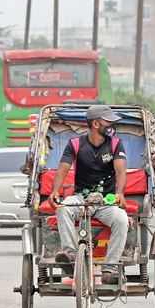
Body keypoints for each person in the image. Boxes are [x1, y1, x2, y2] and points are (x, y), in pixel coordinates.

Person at [47, 105, 128, 284]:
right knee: (63, 209)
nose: (113, 124)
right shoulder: (75, 144)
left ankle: (109, 269)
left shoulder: (116, 144)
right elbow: (62, 171)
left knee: (122, 219)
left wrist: (120, 194)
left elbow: (121, 172)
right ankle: (71, 255)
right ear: (96, 124)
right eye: (109, 121)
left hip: (107, 200)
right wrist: (55, 191)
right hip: (81, 198)